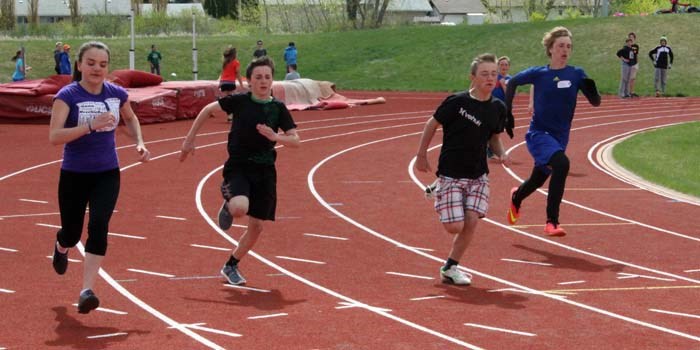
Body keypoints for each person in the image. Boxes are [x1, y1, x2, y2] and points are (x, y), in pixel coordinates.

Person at [49, 41, 151, 314]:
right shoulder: (67, 96)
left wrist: (139, 142)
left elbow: (130, 119)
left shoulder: (116, 93)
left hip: (107, 173)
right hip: (74, 174)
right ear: (79, 65)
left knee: (99, 224)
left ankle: (86, 290)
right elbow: (54, 137)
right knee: (72, 233)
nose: (97, 69)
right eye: (91, 63)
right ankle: (61, 246)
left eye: (103, 64)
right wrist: (90, 126)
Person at [180, 57, 300, 286]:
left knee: (256, 227)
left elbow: (296, 140)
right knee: (239, 208)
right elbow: (207, 110)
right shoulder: (240, 101)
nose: (263, 81)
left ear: (272, 79)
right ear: (249, 81)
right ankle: (228, 202)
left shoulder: (277, 108)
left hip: (265, 171)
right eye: (258, 77)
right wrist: (189, 140)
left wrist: (276, 137)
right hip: (239, 167)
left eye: (267, 77)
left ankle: (231, 265)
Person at [415, 53, 512, 286]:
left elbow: (494, 138)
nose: (490, 78)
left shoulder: (498, 108)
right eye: (484, 74)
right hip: (451, 172)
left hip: (478, 174)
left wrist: (501, 152)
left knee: (471, 221)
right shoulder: (457, 103)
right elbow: (432, 124)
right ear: (472, 77)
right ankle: (438, 188)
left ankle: (451, 267)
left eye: (493, 74)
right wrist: (421, 155)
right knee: (454, 227)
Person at [504, 26, 601, 237]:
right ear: (550, 49)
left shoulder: (576, 74)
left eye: (568, 46)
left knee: (539, 178)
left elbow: (595, 102)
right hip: (539, 134)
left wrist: (593, 91)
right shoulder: (539, 74)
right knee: (562, 164)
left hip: (560, 136)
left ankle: (517, 197)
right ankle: (551, 222)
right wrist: (507, 113)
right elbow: (511, 82)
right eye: (560, 46)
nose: (565, 50)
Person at [219, 47, 245, 122]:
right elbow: (238, 74)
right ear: (234, 54)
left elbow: (223, 73)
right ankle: (231, 115)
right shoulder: (236, 62)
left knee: (226, 100)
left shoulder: (225, 62)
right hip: (230, 82)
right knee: (231, 99)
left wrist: (220, 83)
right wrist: (241, 84)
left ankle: (229, 115)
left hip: (224, 82)